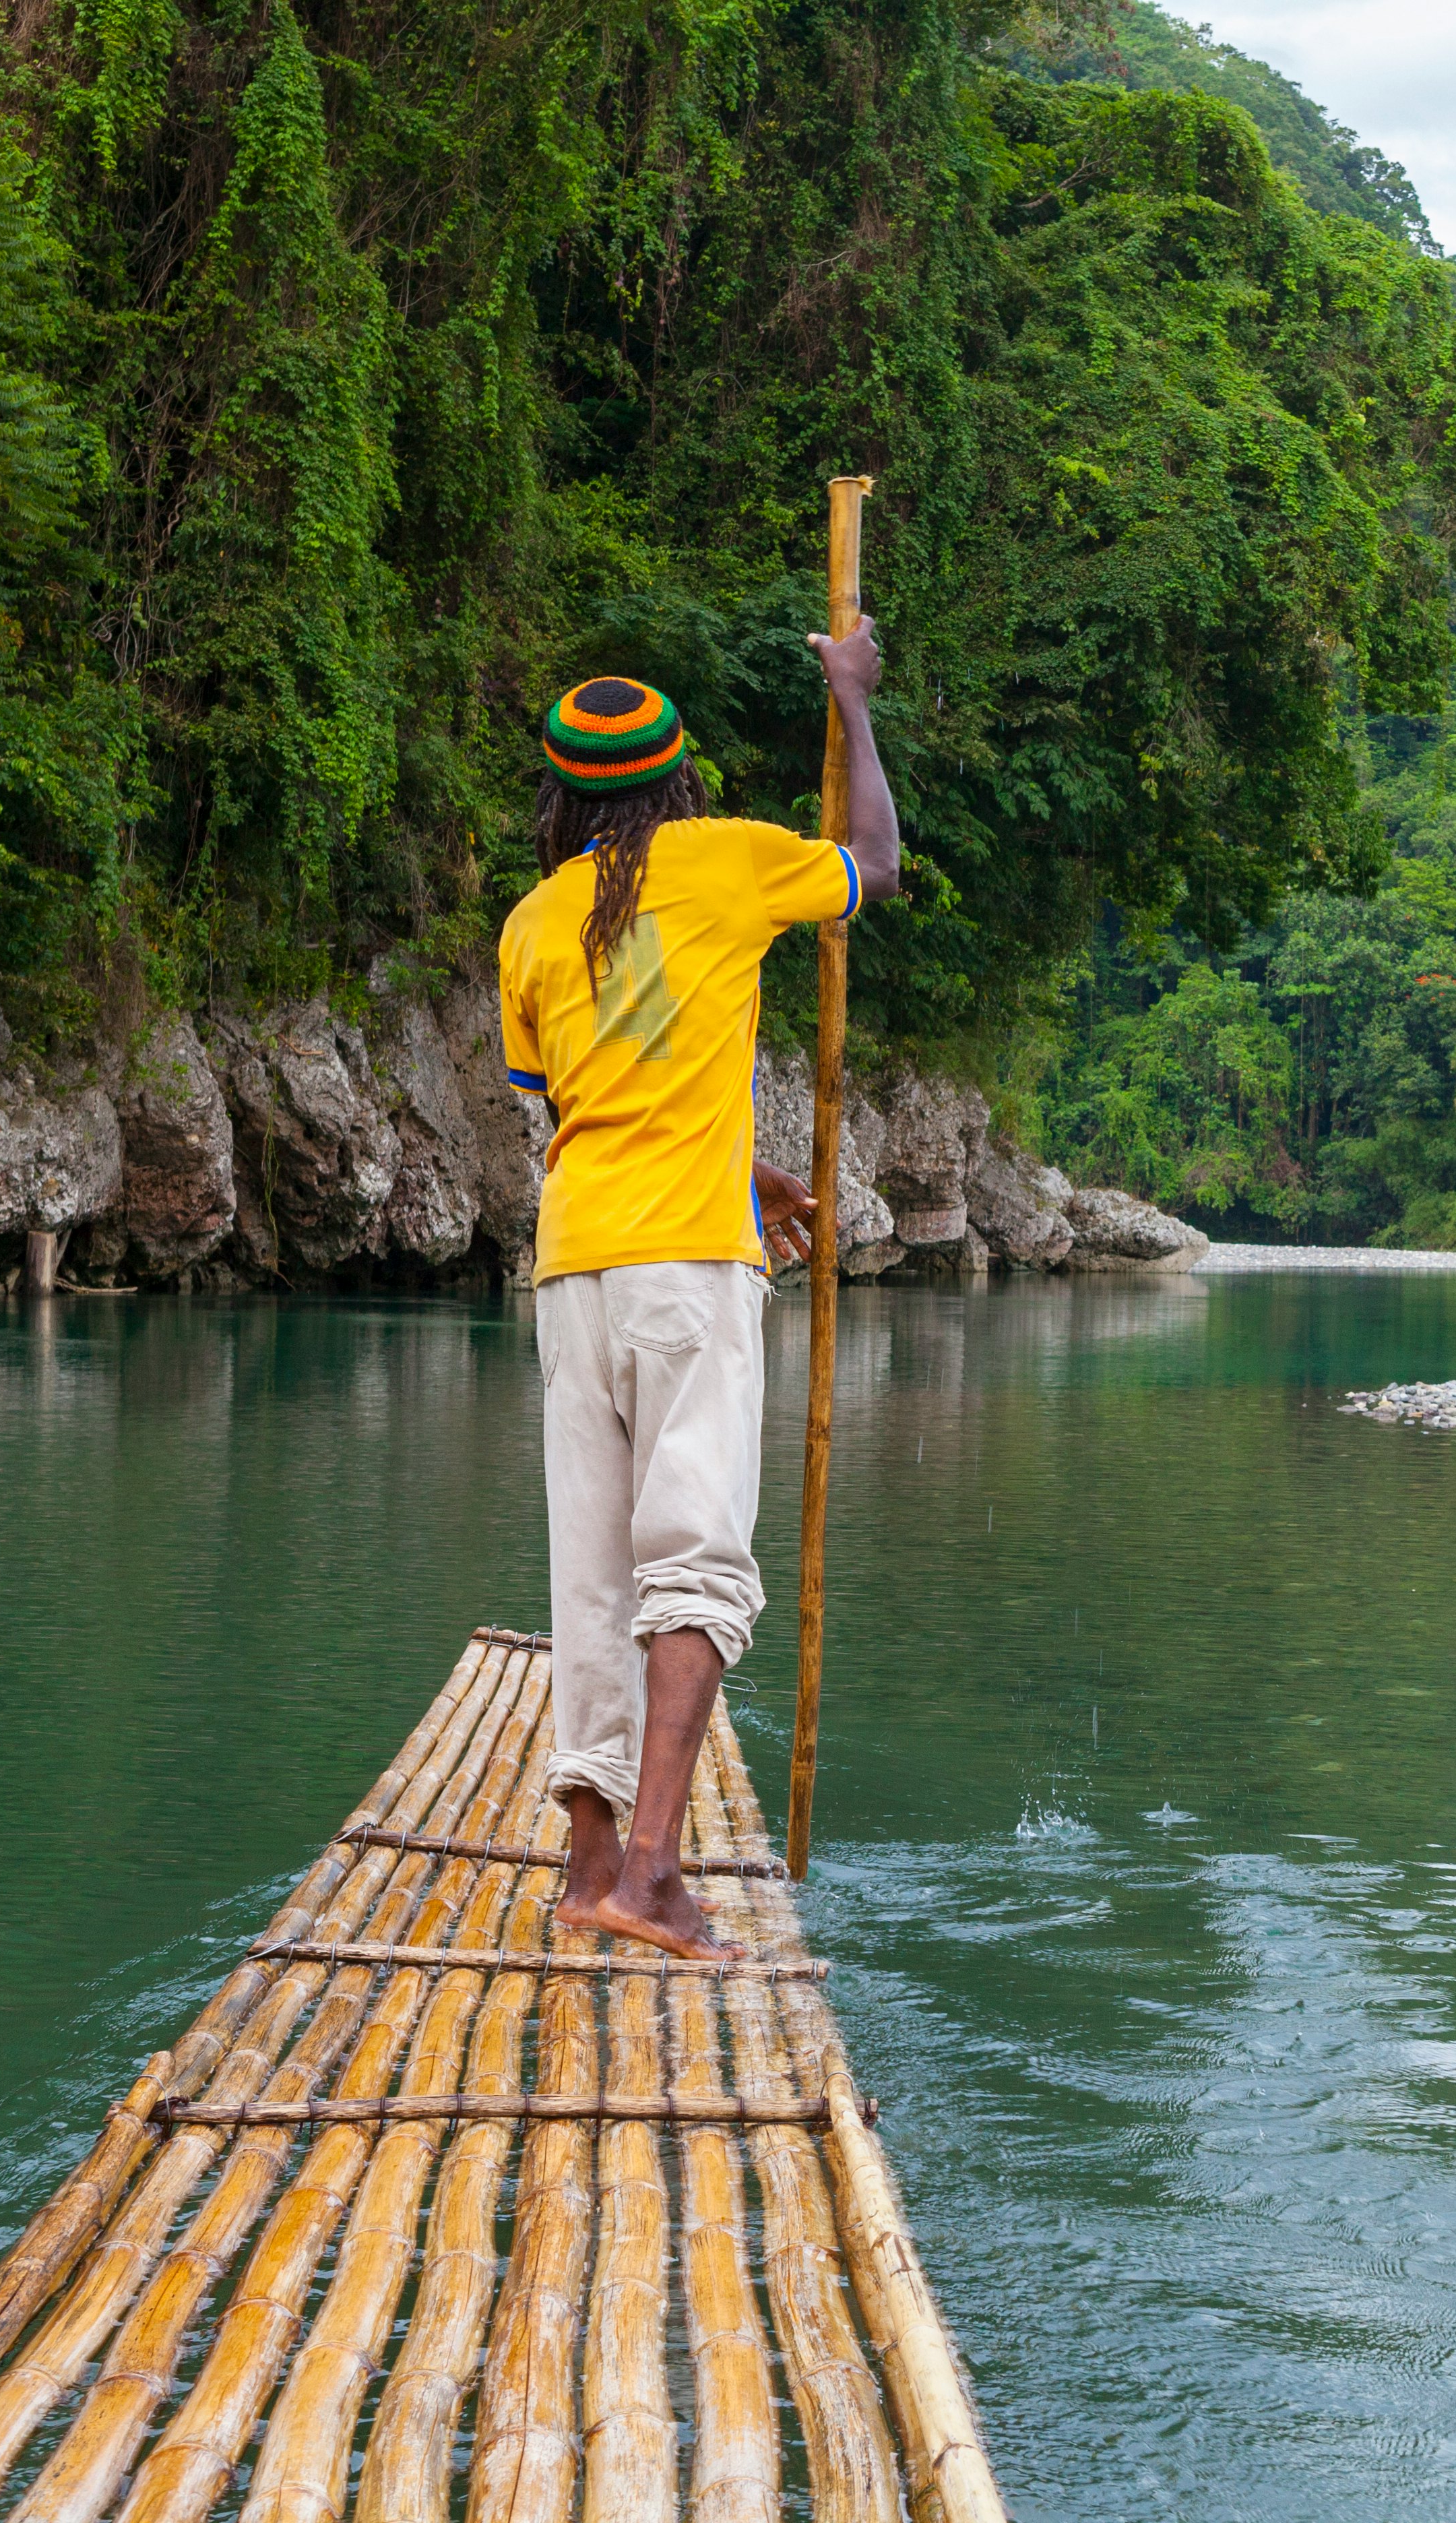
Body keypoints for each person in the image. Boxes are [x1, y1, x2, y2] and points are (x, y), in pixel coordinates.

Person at [496, 624, 900, 1958]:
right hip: (684, 1274)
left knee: (593, 1576)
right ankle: (654, 1872)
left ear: (554, 796)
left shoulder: (530, 925)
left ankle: (591, 1863)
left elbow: (581, 1116)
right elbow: (876, 868)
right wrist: (849, 703)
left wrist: (753, 1174)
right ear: (677, 779)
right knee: (697, 1566)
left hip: (576, 1275)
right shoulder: (729, 859)